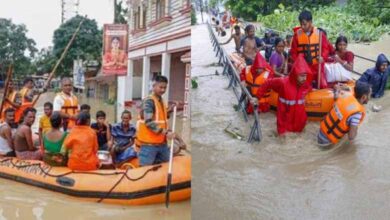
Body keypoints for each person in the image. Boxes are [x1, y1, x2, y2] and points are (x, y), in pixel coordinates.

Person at [255, 55, 313, 135]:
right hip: (284, 123)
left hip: (299, 122)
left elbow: (309, 87)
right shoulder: (283, 82)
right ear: (295, 74)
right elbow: (267, 83)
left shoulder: (305, 85)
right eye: (302, 76)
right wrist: (257, 97)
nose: (304, 78)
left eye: (306, 76)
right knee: (283, 142)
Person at [137, 75, 177, 166]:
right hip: (149, 145)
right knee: (145, 170)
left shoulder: (161, 100)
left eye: (165, 87)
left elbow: (162, 117)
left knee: (166, 166)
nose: (163, 90)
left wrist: (170, 109)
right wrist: (166, 133)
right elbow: (149, 122)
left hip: (161, 143)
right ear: (154, 86)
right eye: (161, 87)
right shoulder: (149, 101)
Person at [317, 82, 371, 147]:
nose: (370, 97)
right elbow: (351, 137)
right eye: (369, 95)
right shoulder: (357, 114)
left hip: (321, 131)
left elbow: (336, 96)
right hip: (327, 141)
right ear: (363, 97)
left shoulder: (345, 96)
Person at [290, 10, 332, 89]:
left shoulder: (320, 33)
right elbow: (293, 52)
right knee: (304, 87)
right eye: (301, 24)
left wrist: (323, 57)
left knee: (323, 85)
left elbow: (325, 48)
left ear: (310, 22)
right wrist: (298, 64)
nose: (302, 26)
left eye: (304, 24)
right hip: (304, 68)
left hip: (317, 66)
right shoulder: (296, 35)